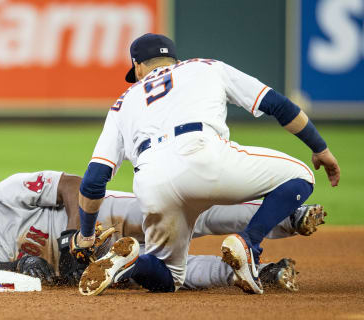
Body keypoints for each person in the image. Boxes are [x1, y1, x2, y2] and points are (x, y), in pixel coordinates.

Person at [74, 33, 340, 295]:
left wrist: (86, 237)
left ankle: (131, 263)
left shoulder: (122, 103)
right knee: (302, 175)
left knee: (168, 278)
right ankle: (249, 243)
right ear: (173, 61)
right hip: (203, 154)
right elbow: (277, 105)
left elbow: (95, 178)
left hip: (151, 181)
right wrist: (320, 148)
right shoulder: (207, 67)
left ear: (138, 66)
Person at [0, 164, 325, 291]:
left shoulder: (9, 191)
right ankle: (262, 274)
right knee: (172, 273)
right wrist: (21, 267)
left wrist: (76, 234)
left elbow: (72, 186)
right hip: (97, 264)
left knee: (191, 218)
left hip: (104, 219)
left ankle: (288, 217)